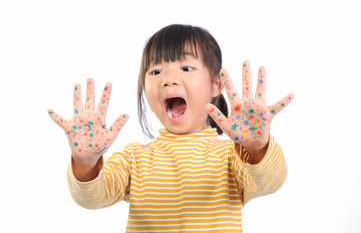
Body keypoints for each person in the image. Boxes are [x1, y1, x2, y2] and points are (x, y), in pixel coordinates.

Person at [48, 24, 294, 232]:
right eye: (156, 71)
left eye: (186, 68)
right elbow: (92, 198)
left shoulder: (232, 156)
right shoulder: (134, 158)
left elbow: (270, 181)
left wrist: (256, 146)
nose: (168, 78)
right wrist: (86, 162)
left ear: (216, 84)